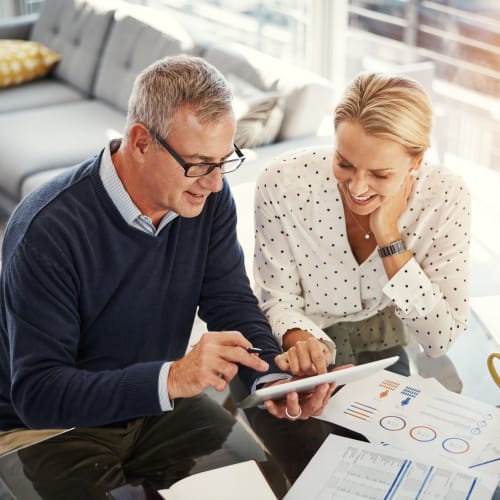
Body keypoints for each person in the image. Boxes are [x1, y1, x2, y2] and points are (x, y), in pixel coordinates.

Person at [0, 55, 335, 497]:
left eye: (223, 161)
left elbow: (231, 302)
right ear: (140, 142)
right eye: (198, 163)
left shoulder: (206, 198)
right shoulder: (48, 229)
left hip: (156, 405)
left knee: (261, 487)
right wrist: (173, 378)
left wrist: (273, 378)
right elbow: (40, 394)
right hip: (48, 428)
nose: (215, 183)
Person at [253, 71, 471, 377]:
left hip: (382, 338)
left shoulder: (445, 197)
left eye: (380, 175)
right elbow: (277, 299)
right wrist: (302, 343)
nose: (356, 188)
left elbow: (439, 339)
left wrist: (388, 237)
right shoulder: (283, 183)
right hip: (295, 338)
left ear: (417, 161)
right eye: (344, 163)